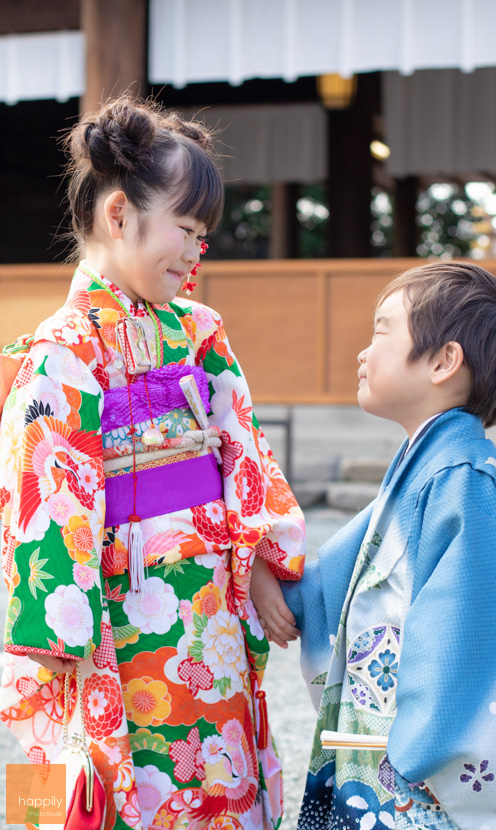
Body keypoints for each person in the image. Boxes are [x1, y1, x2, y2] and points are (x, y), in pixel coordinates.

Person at [0, 96, 304, 830]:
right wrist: (62, 641)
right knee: (117, 786)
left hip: (211, 612)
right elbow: (52, 499)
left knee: (221, 774)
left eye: (203, 236)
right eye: (186, 230)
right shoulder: (60, 354)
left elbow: (242, 446)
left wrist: (262, 555)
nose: (196, 253)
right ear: (117, 215)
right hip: (117, 620)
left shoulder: (201, 332)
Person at [283, 261, 496, 829]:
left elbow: (466, 634)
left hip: (415, 778)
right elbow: (335, 576)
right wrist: (276, 585)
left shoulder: (462, 481)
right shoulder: (429, 470)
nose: (364, 352)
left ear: (443, 361)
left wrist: (415, 749)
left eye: (382, 331)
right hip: (388, 753)